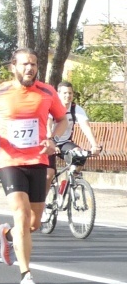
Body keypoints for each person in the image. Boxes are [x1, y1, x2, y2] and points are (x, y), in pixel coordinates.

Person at [0, 48, 68, 284]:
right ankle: (26, 277)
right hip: (10, 161)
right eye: (24, 64)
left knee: (34, 222)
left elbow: (62, 119)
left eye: (33, 64)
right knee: (20, 215)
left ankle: (8, 234)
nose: (29, 68)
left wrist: (53, 138)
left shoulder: (47, 92)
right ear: (13, 67)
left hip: (38, 160)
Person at [44, 81, 101, 210]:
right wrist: (51, 141)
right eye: (64, 93)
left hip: (64, 143)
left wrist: (94, 145)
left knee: (80, 154)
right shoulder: (52, 107)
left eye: (70, 93)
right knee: (49, 175)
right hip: (49, 142)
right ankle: (41, 204)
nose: (68, 96)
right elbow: (48, 125)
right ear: (58, 94)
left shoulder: (76, 109)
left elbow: (86, 128)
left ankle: (68, 184)